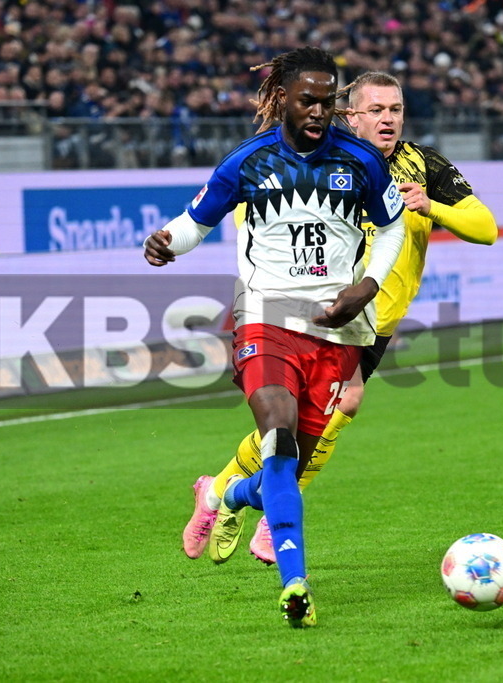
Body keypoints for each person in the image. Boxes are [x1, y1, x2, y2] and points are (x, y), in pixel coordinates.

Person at [183, 70, 497, 566]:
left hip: (375, 320)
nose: (388, 119)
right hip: (308, 312)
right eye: (376, 110)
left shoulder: (422, 165)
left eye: (395, 110)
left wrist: (433, 206)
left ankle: (222, 491)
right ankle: (270, 513)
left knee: (313, 422)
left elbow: (486, 228)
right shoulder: (321, 158)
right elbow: (253, 214)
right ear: (350, 114)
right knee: (335, 406)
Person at [144, 48, 406, 628]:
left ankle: (222, 495)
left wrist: (366, 286)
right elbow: (195, 222)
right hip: (263, 317)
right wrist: (166, 239)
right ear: (281, 97)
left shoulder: (362, 161)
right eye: (307, 99)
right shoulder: (247, 161)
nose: (318, 110)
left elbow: (391, 230)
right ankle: (296, 586)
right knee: (279, 443)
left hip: (335, 329)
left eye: (327, 100)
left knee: (281, 474)